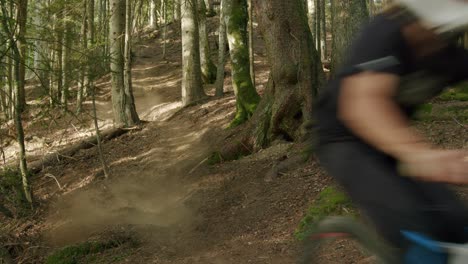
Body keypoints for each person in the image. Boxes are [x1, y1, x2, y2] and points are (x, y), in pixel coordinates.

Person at [314, 0, 468, 261]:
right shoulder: (383, 33)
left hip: (392, 141)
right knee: (415, 231)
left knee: (457, 221)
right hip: (343, 141)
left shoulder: (445, 51)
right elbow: (362, 105)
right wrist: (419, 155)